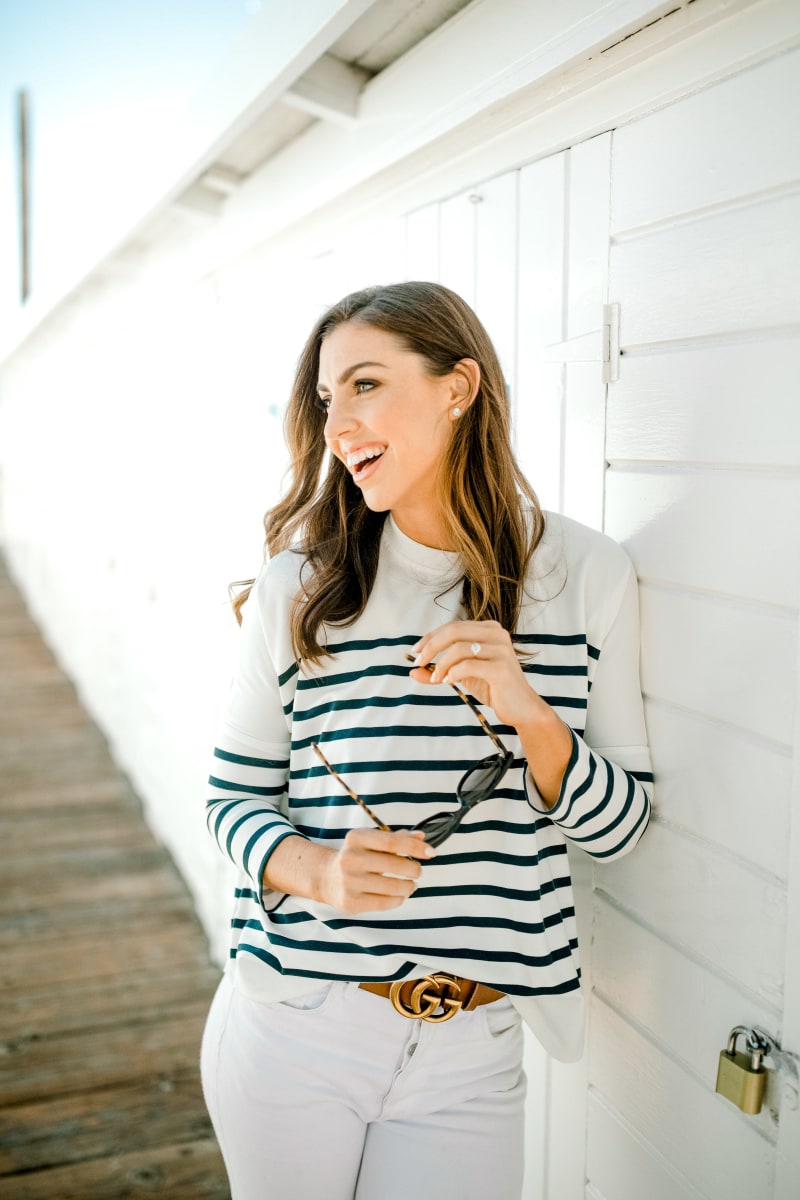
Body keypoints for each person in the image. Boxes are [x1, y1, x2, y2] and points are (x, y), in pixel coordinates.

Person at [201, 281, 653, 1200]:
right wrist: (318, 870)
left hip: (473, 1048)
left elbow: (625, 828)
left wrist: (531, 716)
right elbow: (230, 801)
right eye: (327, 400)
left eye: (365, 384)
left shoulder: (587, 575)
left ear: (459, 387)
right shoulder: (300, 586)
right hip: (298, 1027)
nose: (339, 424)